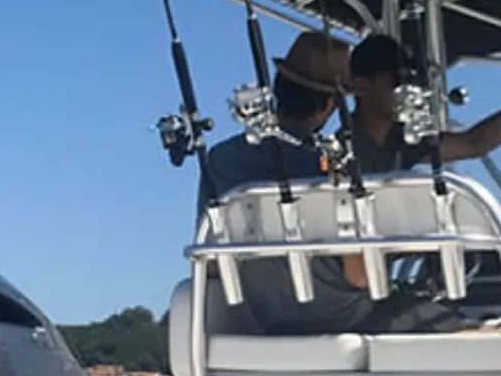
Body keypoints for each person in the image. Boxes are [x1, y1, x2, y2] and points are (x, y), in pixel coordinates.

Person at [197, 30, 475, 337]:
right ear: (330, 103)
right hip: (347, 319)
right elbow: (360, 277)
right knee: (461, 326)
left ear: (278, 86)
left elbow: (212, 261)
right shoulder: (334, 165)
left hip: (262, 321)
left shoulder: (221, 159)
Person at [345, 32, 501, 174]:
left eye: (411, 80)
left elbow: (474, 143)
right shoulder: (341, 152)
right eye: (398, 80)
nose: (409, 90)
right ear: (361, 86)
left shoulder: (404, 141)